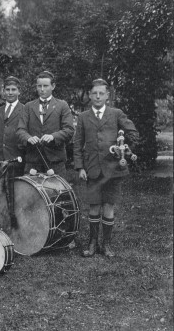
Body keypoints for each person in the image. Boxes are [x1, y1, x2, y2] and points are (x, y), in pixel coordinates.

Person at [74, 79, 139, 257]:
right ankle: (93, 243)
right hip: (92, 168)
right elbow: (77, 144)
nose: (97, 96)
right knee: (94, 207)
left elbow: (132, 132)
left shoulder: (116, 114)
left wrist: (123, 146)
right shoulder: (83, 117)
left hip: (113, 170)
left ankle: (107, 244)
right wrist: (80, 167)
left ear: (107, 96)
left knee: (109, 206)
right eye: (94, 93)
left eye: (101, 93)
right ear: (89, 95)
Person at [17, 71, 74, 176]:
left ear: (53, 86)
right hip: (33, 162)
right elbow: (20, 130)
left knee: (57, 192)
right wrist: (28, 138)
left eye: (45, 86)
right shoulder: (28, 107)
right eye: (39, 86)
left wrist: (53, 136)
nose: (42, 89)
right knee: (29, 192)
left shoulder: (62, 105)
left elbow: (69, 130)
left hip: (55, 162)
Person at [0, 76, 25, 175]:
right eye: (7, 90)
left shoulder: (25, 110)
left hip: (17, 160)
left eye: (13, 90)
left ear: (19, 91)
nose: (10, 93)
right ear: (4, 91)